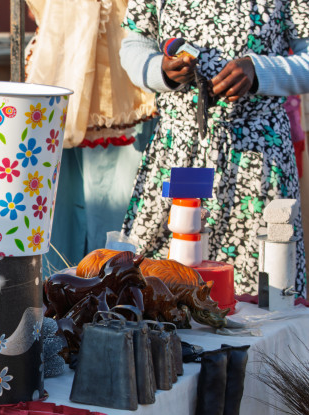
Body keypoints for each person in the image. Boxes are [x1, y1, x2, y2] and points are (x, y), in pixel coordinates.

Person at [119, 0, 309, 295]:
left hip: (257, 159)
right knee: (155, 291)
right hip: (178, 153)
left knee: (259, 303)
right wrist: (162, 70)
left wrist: (259, 71)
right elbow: (134, 45)